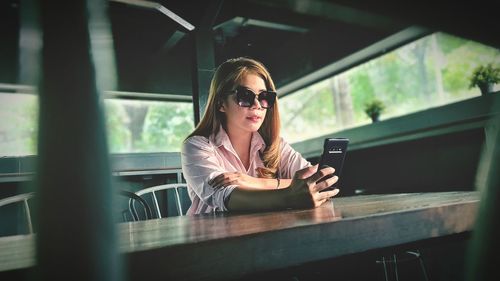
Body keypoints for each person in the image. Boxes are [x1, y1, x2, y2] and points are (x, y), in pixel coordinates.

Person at [181, 57, 339, 215]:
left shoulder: (275, 145)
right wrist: (290, 195)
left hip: (265, 231)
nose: (257, 105)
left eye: (264, 97)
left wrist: (253, 182)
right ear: (221, 103)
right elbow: (226, 197)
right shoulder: (196, 146)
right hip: (212, 235)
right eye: (245, 96)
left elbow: (317, 183)